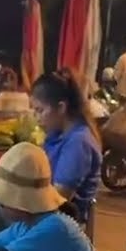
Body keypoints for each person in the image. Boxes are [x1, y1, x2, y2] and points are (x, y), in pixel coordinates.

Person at [32, 69, 102, 222]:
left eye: (40, 110)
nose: (35, 117)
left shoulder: (78, 142)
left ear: (61, 108)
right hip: (41, 213)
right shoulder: (56, 135)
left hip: (56, 222)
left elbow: (58, 199)